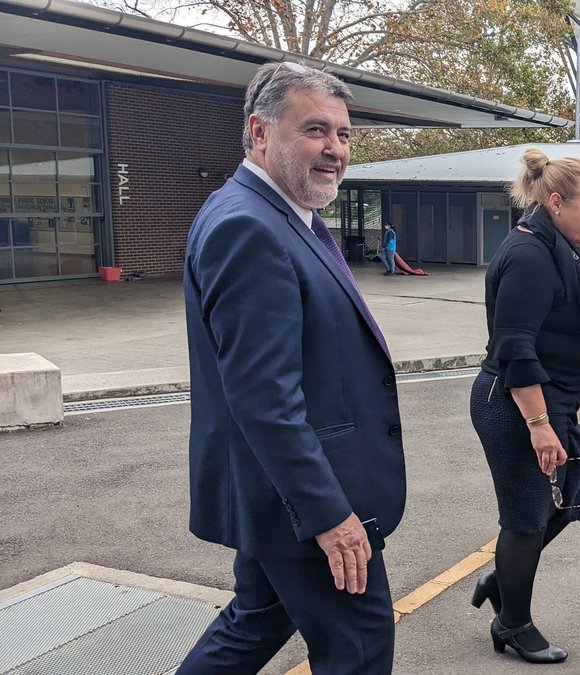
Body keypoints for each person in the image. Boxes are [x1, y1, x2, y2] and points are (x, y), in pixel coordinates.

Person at [178, 61, 405, 675]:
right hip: (305, 502)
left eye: (344, 133)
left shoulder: (279, 215)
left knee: (255, 621)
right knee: (359, 648)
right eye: (315, 130)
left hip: (277, 496)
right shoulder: (248, 227)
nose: (336, 148)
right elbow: (264, 398)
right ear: (259, 132)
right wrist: (329, 515)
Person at [468, 148, 580, 664]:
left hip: (548, 394)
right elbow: (515, 347)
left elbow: (556, 331)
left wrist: (576, 385)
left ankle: (503, 578)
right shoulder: (529, 256)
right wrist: (538, 423)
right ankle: (512, 623)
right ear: (556, 202)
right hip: (512, 404)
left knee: (576, 490)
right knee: (526, 517)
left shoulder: (561, 248)